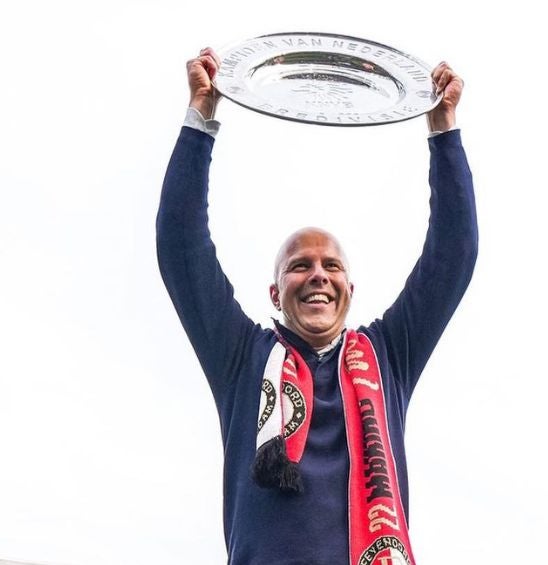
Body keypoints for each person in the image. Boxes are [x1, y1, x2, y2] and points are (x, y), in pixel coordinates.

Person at [157, 47, 477, 565]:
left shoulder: (388, 355)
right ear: (275, 293)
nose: (318, 276)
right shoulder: (242, 357)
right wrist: (201, 119)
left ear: (350, 287)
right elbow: (181, 246)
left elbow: (453, 255)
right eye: (299, 266)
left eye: (331, 265)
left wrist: (443, 130)